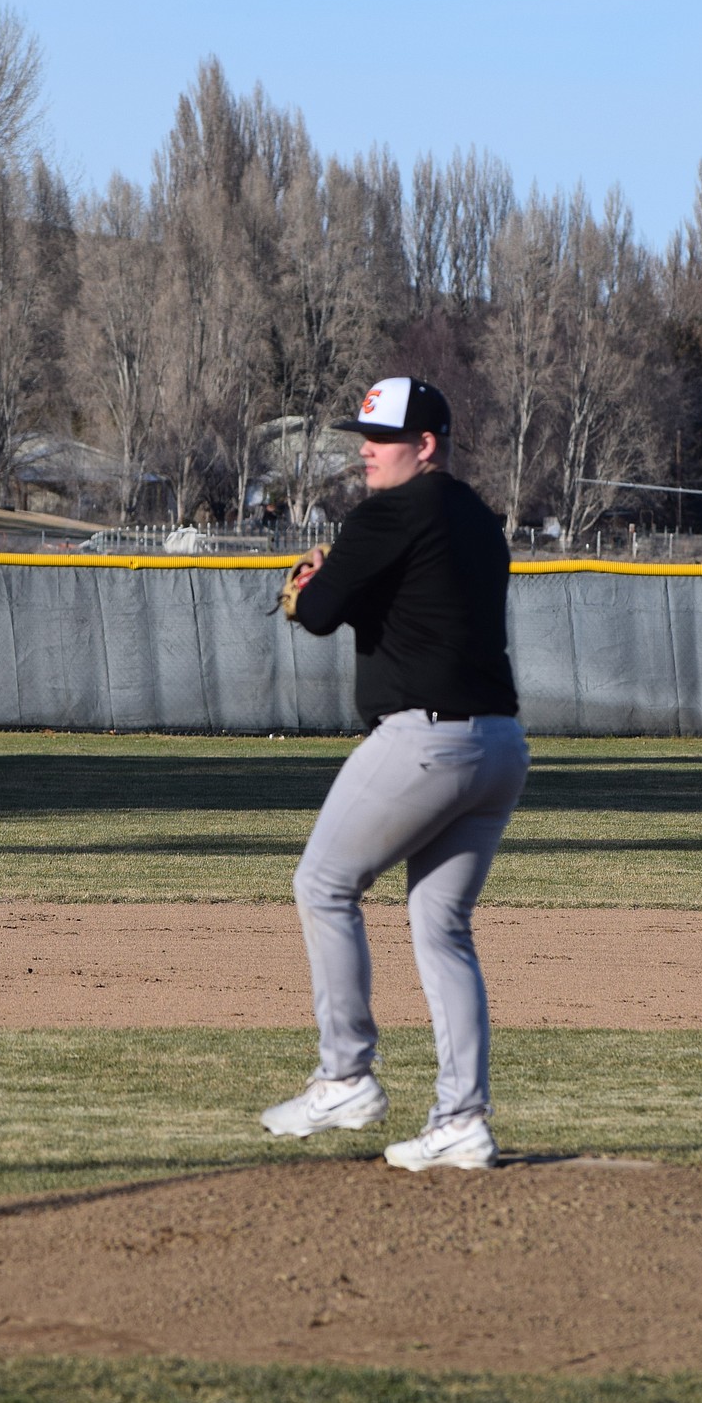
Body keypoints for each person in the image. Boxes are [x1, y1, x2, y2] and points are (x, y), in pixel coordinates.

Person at [260, 376, 529, 1171]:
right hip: (501, 746)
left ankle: (345, 1073)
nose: (366, 453)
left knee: (324, 883)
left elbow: (314, 612)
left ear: (428, 445)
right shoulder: (477, 518)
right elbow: (409, 604)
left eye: (381, 440)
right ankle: (462, 1119)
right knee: (441, 927)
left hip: (427, 739)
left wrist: (308, 582)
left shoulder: (392, 512)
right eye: (363, 438)